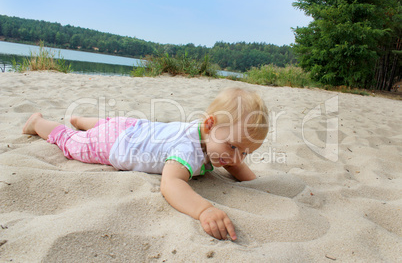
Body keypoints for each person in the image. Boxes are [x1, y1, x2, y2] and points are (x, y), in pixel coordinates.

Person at [22, 87, 269, 241]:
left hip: (132, 127)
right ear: (209, 125)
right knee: (72, 143)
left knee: (109, 123)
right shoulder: (187, 150)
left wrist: (251, 180)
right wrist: (203, 210)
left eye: (246, 152)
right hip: (114, 144)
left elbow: (233, 164)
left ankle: (81, 119)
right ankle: (38, 123)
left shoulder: (217, 143)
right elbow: (171, 183)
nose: (236, 158)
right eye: (233, 147)